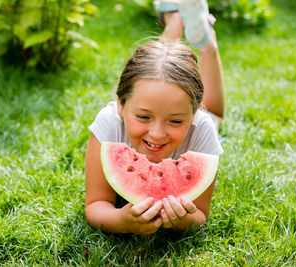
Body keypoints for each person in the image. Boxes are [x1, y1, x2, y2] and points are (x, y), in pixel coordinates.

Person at [85, 0, 225, 235]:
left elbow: (200, 214)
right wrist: (121, 220)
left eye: (176, 121)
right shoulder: (108, 123)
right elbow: (95, 204)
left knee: (216, 116)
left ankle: (206, 41)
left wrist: (180, 220)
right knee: (158, 69)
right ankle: (174, 23)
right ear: (120, 105)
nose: (157, 134)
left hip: (205, 116)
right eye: (143, 117)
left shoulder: (202, 127)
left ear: (194, 114)